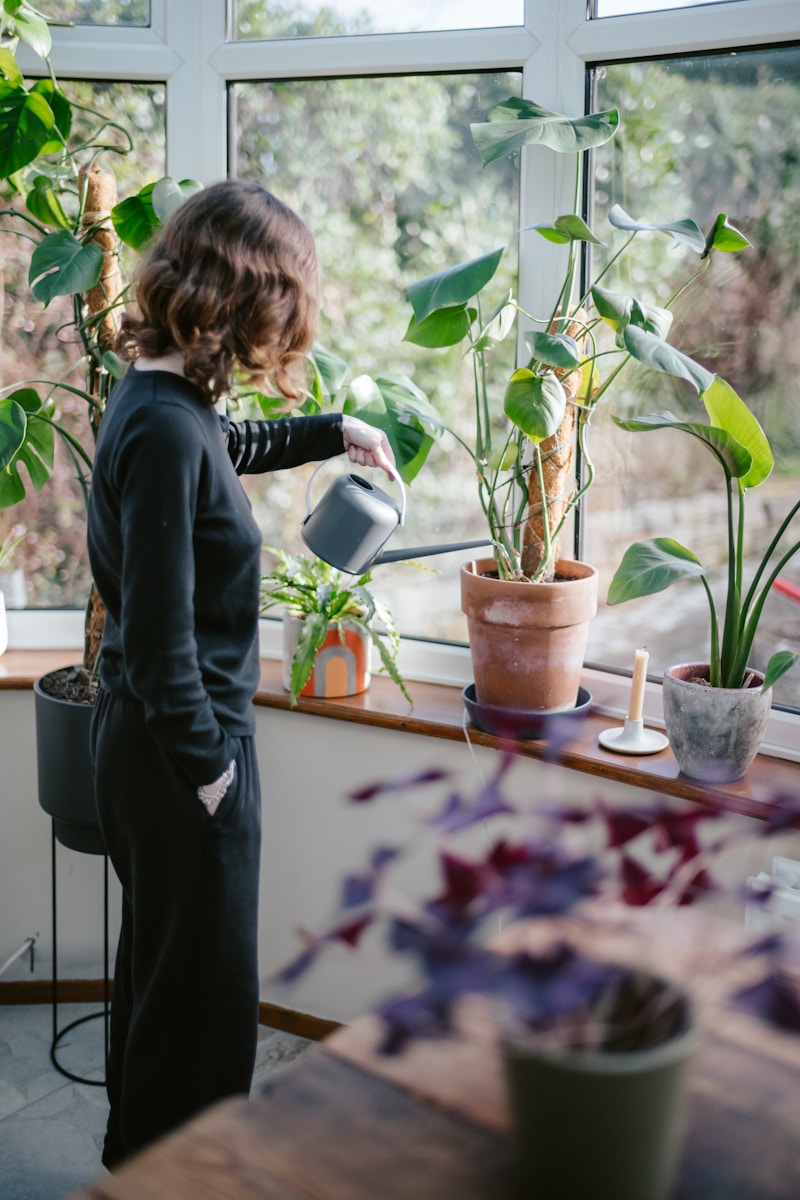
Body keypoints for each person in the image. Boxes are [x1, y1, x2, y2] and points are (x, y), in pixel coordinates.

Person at [86, 179, 395, 1169]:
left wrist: (333, 430)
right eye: (282, 306)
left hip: (152, 745)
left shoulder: (159, 400)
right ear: (241, 299)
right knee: (204, 1002)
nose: (282, 332)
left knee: (164, 975)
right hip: (182, 754)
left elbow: (229, 446)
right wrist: (215, 775)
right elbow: (160, 644)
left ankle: (138, 1164)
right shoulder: (166, 427)